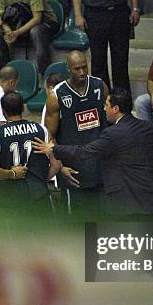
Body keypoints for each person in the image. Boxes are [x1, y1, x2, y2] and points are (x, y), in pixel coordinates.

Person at [35, 87, 153, 221]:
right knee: (151, 240)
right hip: (152, 199)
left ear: (116, 109)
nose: (103, 109)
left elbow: (84, 151)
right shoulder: (148, 127)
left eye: (107, 105)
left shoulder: (112, 134)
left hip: (129, 205)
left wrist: (53, 149)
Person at [44, 50, 108, 216]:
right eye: (77, 68)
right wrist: (59, 166)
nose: (81, 72)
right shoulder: (56, 95)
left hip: (100, 166)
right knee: (75, 225)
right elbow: (49, 137)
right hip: (72, 170)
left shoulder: (100, 86)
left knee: (102, 222)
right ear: (68, 69)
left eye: (84, 67)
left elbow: (111, 125)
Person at [0, 91, 59, 207]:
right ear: (23, 108)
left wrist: (11, 174)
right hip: (38, 195)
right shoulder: (42, 130)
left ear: (3, 112)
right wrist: (40, 181)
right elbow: (56, 165)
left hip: (8, 198)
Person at [72, 0, 140, 92]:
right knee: (98, 61)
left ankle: (122, 101)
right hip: (95, 12)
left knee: (121, 60)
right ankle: (102, 100)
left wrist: (135, 8)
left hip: (119, 10)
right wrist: (78, 14)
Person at [0, 0, 59, 75]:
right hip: (16, 24)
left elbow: (37, 18)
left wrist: (17, 33)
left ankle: (45, 74)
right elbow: (1, 19)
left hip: (44, 22)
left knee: (36, 31)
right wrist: (8, 31)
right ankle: (5, 73)